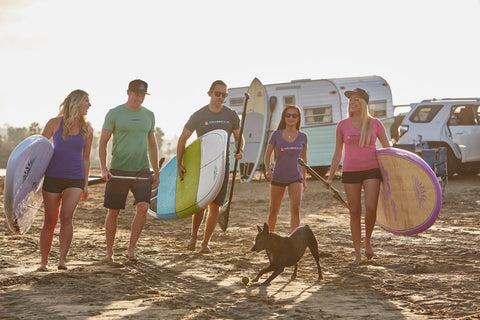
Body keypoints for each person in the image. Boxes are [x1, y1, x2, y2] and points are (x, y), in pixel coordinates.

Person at [177, 80, 243, 253]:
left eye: (224, 95)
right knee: (201, 204)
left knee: (216, 206)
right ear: (210, 94)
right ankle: (193, 237)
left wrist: (240, 149)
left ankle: (205, 243)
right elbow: (183, 138)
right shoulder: (199, 115)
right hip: (203, 166)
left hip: (223, 166)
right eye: (217, 94)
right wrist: (179, 163)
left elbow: (238, 137)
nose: (221, 97)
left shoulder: (231, 115)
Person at [326, 88, 390, 266]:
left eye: (356, 99)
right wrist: (330, 177)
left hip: (371, 169)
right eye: (350, 100)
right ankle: (357, 254)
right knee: (354, 212)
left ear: (363, 103)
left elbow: (387, 149)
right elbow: (337, 154)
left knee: (371, 208)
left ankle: (367, 240)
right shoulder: (342, 125)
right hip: (350, 171)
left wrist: (395, 172)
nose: (352, 103)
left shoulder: (375, 123)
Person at [99, 79, 160, 262]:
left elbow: (152, 145)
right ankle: (109, 252)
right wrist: (103, 168)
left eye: (142, 95)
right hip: (118, 169)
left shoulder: (149, 115)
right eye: (135, 94)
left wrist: (156, 171)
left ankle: (131, 249)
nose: (139, 98)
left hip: (141, 170)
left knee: (143, 207)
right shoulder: (114, 114)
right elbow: (102, 142)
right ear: (128, 92)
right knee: (114, 211)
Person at [38, 89, 93, 271]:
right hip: (52, 177)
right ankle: (43, 263)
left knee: (67, 217)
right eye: (86, 101)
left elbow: (86, 158)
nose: (89, 105)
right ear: (76, 103)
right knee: (50, 221)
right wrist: (33, 179)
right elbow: (38, 150)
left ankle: (62, 260)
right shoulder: (54, 123)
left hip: (75, 179)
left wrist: (85, 183)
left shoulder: (88, 129)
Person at [264, 105, 307, 233]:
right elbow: (267, 155)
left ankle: (294, 240)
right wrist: (268, 169)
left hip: (296, 177)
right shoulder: (276, 135)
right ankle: (269, 238)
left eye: (294, 116)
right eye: (288, 115)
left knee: (295, 209)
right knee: (273, 210)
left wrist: (304, 179)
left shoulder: (303, 136)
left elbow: (304, 161)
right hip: (278, 176)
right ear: (284, 117)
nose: (291, 118)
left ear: (298, 118)